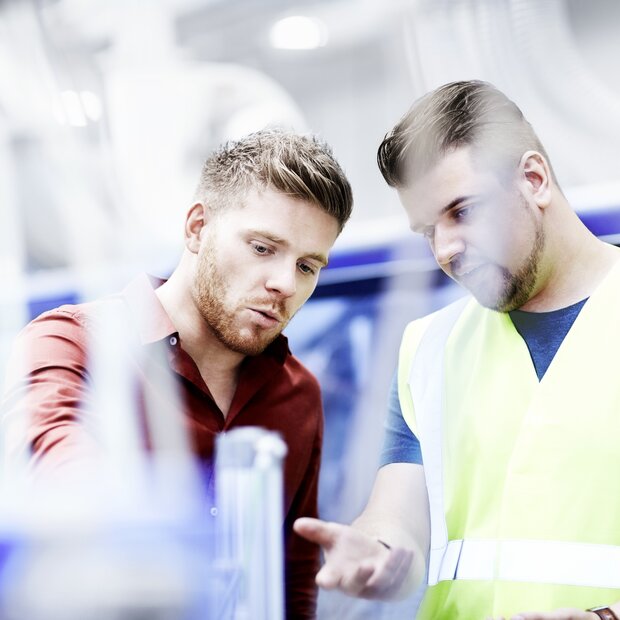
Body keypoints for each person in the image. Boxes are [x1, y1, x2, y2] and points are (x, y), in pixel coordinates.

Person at [294, 80, 620, 620]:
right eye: (427, 230)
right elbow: (395, 518)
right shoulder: (429, 347)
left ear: (533, 179)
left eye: (462, 211)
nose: (444, 249)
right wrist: (377, 554)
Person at [1, 128, 353, 619]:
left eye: (308, 266)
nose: (283, 284)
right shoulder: (71, 343)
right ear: (196, 228)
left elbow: (292, 588)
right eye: (262, 248)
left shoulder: (298, 395)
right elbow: (59, 471)